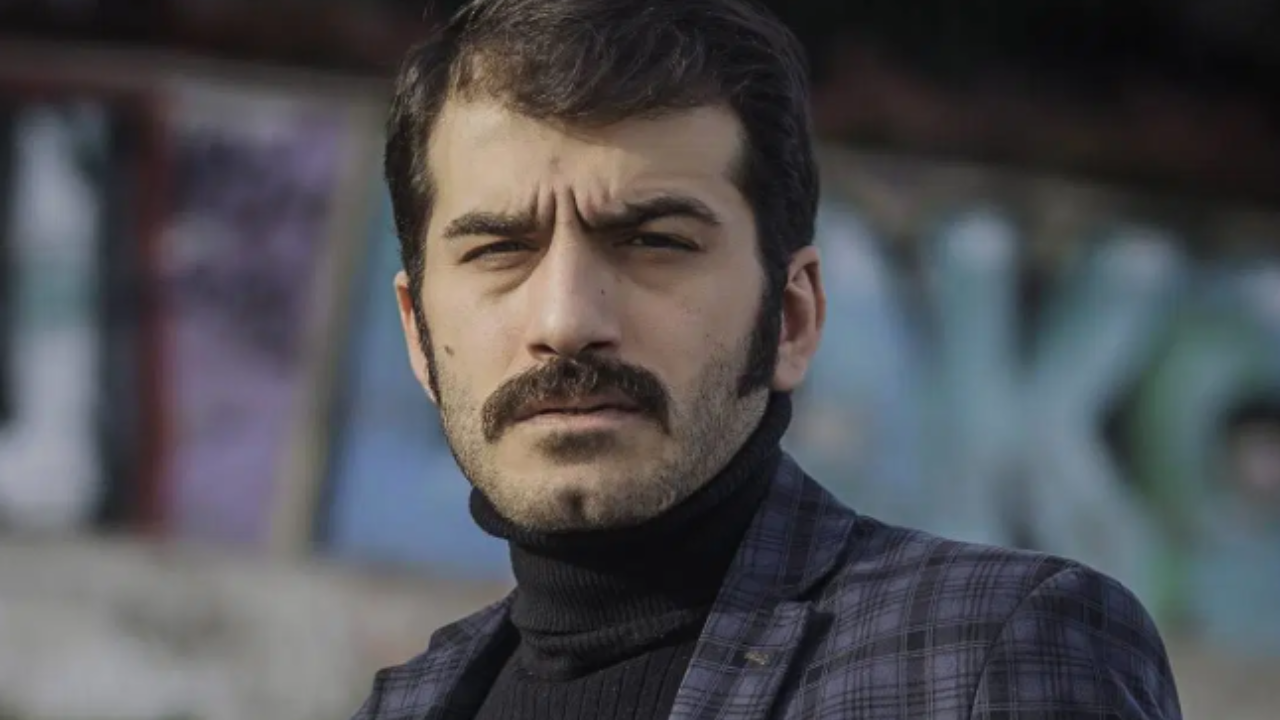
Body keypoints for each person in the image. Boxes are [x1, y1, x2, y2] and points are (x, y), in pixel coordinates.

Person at [352, 0, 1183, 717]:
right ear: (418, 334)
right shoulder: (405, 706)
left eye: (654, 242)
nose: (566, 321)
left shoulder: (990, 646)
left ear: (790, 317)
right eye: (499, 249)